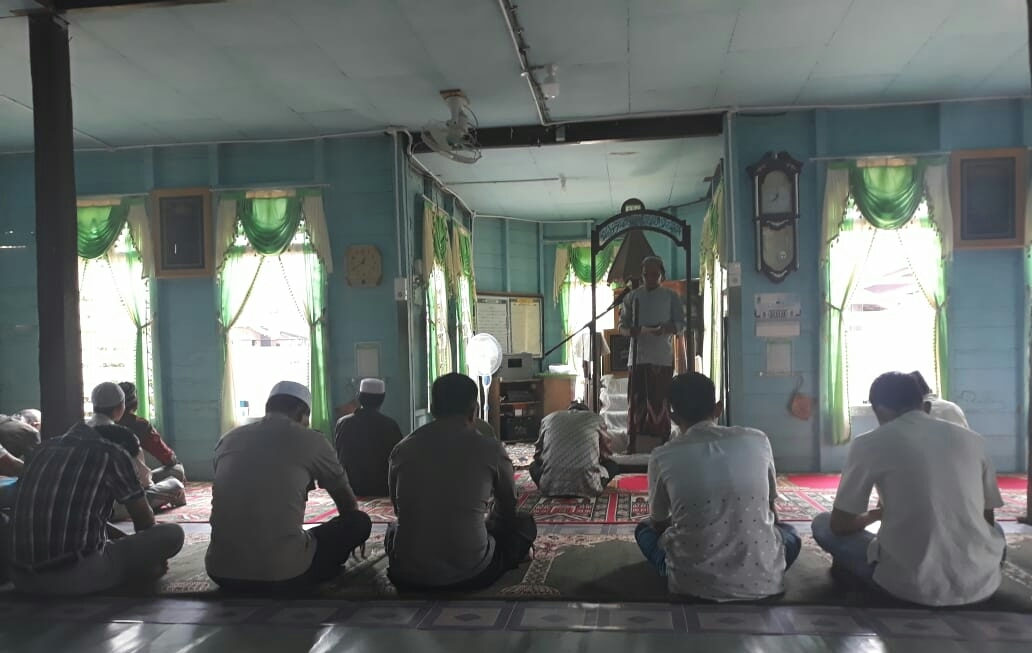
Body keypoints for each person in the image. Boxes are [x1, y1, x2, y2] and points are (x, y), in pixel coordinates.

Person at [812, 372, 1006, 607]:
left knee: (822, 524)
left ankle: (855, 576)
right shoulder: (974, 440)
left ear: (879, 411)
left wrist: (876, 514)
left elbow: (840, 525)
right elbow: (987, 520)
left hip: (907, 585)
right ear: (925, 405)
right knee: (998, 532)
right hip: (980, 584)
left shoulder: (869, 443)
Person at [635, 372, 800, 601]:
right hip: (764, 578)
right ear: (718, 408)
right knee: (791, 535)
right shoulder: (757, 439)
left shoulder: (662, 456)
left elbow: (659, 522)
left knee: (643, 530)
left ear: (672, 416)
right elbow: (772, 510)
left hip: (690, 583)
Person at [206, 381, 372, 594]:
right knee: (358, 522)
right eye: (307, 418)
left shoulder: (228, 439)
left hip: (220, 571)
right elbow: (348, 505)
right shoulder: (312, 439)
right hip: (284, 574)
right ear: (301, 412)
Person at [386, 373, 537, 590]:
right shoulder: (490, 448)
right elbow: (507, 508)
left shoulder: (402, 448)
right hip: (471, 574)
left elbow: (399, 510)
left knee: (393, 530)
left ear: (432, 407)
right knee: (524, 523)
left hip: (407, 576)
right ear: (475, 409)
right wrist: (485, 522)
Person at [7, 420, 184, 596]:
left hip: (20, 577)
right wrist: (150, 558)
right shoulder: (113, 454)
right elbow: (145, 522)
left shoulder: (41, 450)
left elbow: (69, 517)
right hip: (74, 576)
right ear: (122, 448)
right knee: (172, 534)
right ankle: (139, 573)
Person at [87, 383, 186, 513]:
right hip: (123, 504)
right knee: (176, 479)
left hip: (91, 500)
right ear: (120, 407)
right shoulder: (132, 431)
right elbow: (166, 461)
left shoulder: (83, 429)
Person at [619, 256, 685, 451]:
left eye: (655, 274)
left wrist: (667, 328)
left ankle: (662, 441)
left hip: (661, 358)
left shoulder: (671, 296)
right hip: (638, 356)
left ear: (661, 275)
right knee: (636, 401)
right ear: (642, 275)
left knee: (659, 400)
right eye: (647, 274)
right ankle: (633, 442)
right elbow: (622, 326)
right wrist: (632, 331)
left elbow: (681, 325)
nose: (651, 278)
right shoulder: (632, 297)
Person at [529, 401, 619, 497]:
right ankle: (591, 483)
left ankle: (552, 483)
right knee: (613, 466)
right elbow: (606, 454)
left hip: (550, 487)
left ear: (568, 410)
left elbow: (538, 454)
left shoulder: (548, 419)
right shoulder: (596, 419)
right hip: (589, 486)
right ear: (586, 412)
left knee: (533, 466)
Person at [333, 378, 404, 497]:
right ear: (382, 399)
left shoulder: (343, 423)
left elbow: (340, 455)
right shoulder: (390, 425)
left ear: (359, 397)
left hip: (351, 487)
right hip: (382, 487)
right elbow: (398, 458)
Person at [117, 382, 186, 483]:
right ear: (135, 403)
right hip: (133, 486)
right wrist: (176, 462)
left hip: (103, 485)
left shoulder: (98, 425)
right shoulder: (140, 425)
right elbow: (168, 458)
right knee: (177, 471)